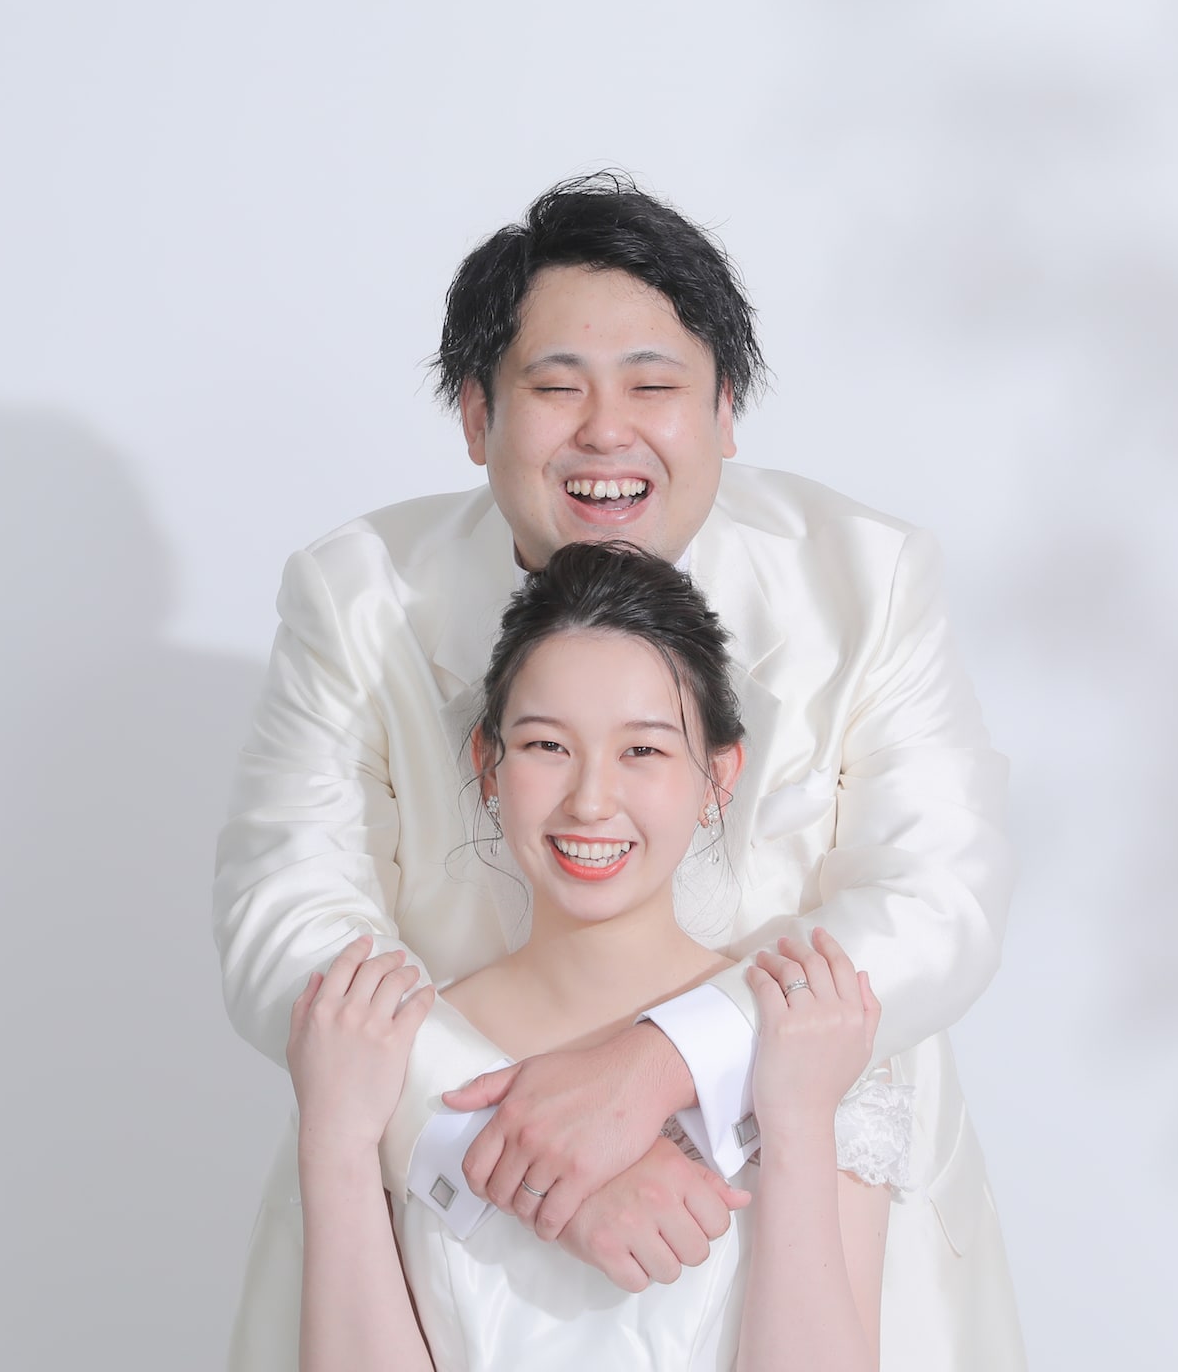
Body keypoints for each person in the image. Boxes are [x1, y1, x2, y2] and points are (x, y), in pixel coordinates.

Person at [216, 173, 1023, 1369]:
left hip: (801, 1228)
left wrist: (663, 1061)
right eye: (556, 387)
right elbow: (286, 923)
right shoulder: (359, 594)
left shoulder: (867, 577)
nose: (606, 430)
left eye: (653, 385)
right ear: (476, 414)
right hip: (431, 1238)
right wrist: (514, 1155)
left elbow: (938, 900)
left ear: (727, 408)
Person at [289, 542, 900, 1371]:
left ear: (719, 777)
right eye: (547, 746)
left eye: (643, 751)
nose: (590, 800)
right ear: (487, 764)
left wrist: (794, 1126)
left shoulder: (803, 1044)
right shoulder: (384, 1049)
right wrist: (332, 1143)